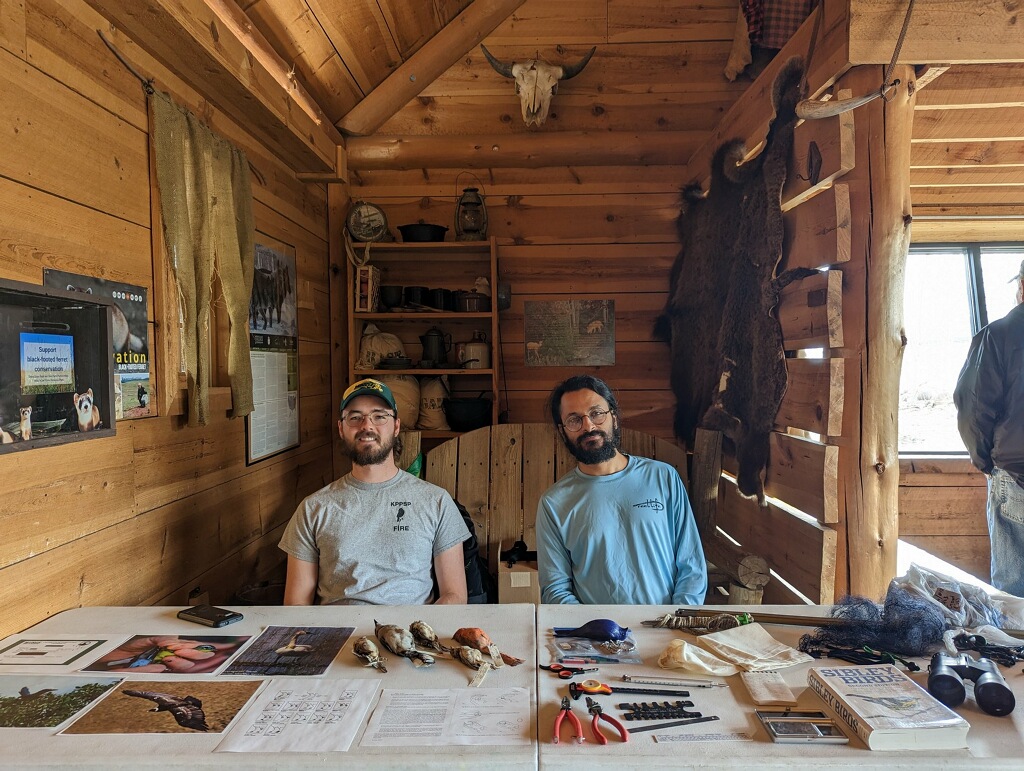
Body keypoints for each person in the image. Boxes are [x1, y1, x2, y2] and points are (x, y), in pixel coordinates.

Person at [280, 378, 469, 605]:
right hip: (338, 634)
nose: (367, 426)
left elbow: (454, 596)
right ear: (341, 428)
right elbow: (296, 606)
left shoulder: (435, 501)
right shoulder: (314, 508)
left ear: (396, 426)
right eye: (355, 417)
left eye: (379, 416)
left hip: (408, 634)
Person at [536, 374, 708, 604]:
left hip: (667, 628)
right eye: (574, 419)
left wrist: (677, 622)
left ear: (614, 418)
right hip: (597, 635)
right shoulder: (554, 502)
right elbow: (556, 589)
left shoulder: (663, 478)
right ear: (562, 430)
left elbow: (692, 565)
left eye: (597, 413)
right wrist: (593, 633)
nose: (588, 426)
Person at [954, 260, 1024, 596]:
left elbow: (973, 407)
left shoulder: (997, 335)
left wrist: (986, 463)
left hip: (1014, 475)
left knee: (1013, 594)